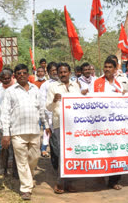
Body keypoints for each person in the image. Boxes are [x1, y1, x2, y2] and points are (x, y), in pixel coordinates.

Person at [0, 64, 50, 201]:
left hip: (34, 131)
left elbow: (41, 109)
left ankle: (28, 178)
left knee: (34, 158)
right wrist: (6, 134)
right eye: (19, 73)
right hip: (17, 132)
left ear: (28, 74)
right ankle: (26, 189)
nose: (21, 75)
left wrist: (46, 125)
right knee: (21, 161)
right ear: (15, 76)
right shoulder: (10, 91)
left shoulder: (35, 89)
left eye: (24, 73)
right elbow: (5, 114)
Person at [90, 55, 124, 190]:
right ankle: (100, 174)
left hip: (116, 125)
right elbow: (90, 101)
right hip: (101, 123)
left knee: (116, 152)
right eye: (105, 67)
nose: (107, 69)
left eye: (110, 67)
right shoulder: (96, 83)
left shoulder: (120, 84)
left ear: (115, 69)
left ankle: (114, 180)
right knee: (102, 151)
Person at [46, 62, 81, 194]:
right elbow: (48, 107)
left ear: (69, 73)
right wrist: (54, 100)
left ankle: (70, 182)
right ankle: (61, 182)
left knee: (72, 153)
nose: (62, 74)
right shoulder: (53, 87)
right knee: (61, 154)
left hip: (73, 125)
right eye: (60, 72)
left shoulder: (75, 86)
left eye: (65, 72)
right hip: (59, 124)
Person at [0, 68, 15, 155]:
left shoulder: (16, 88)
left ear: (11, 77)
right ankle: (4, 163)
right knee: (5, 143)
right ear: (1, 79)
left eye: (8, 78)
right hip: (3, 118)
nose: (6, 80)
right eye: (4, 79)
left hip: (14, 119)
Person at [40, 62, 58, 157]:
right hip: (50, 114)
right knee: (48, 133)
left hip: (62, 115)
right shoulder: (45, 85)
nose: (54, 72)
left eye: (56, 70)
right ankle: (44, 149)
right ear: (49, 72)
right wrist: (45, 115)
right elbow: (42, 101)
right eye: (52, 71)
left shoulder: (63, 82)